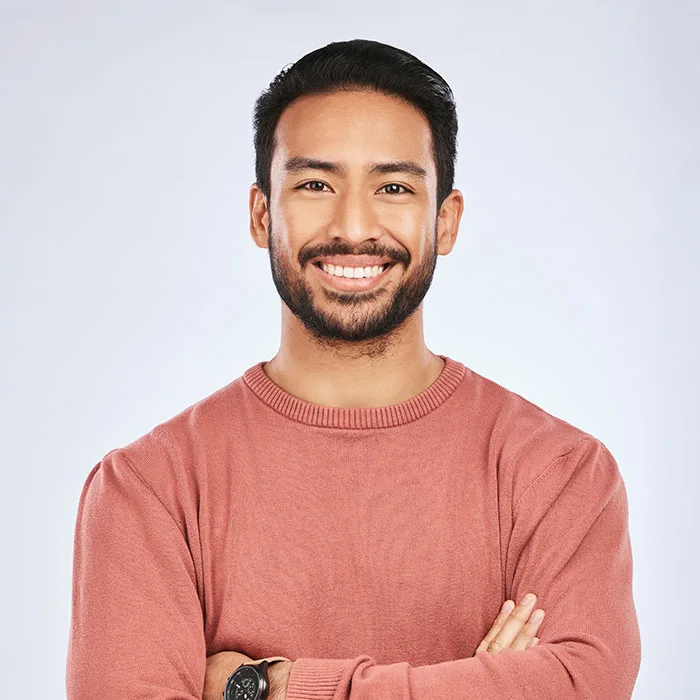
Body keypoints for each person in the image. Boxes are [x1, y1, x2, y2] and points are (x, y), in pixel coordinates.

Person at [66, 39, 641, 700]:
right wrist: (483, 684)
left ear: (445, 221)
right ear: (262, 214)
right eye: (316, 184)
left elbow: (584, 684)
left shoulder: (560, 475)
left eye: (393, 187)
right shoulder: (149, 490)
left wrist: (270, 686)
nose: (354, 225)